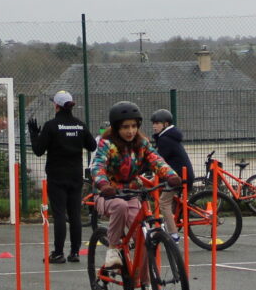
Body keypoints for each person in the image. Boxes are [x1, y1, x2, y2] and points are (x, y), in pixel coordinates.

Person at [90, 101, 180, 274]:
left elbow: (156, 159)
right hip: (107, 195)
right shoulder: (107, 144)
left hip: (131, 193)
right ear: (116, 128)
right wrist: (103, 184)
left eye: (133, 126)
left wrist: (171, 175)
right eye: (125, 127)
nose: (130, 131)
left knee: (143, 239)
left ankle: (146, 286)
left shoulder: (142, 143)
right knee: (120, 206)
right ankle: (113, 249)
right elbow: (98, 166)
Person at [29, 91, 92, 263]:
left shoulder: (51, 126)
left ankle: (58, 253)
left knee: (59, 215)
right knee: (75, 215)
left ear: (56, 106)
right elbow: (92, 145)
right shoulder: (79, 125)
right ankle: (75, 252)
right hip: (76, 176)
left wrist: (34, 135)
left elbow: (38, 150)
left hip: (57, 176)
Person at [150, 109, 194, 237]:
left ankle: (173, 235)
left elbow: (156, 160)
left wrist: (141, 169)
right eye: (153, 123)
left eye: (157, 123)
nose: (154, 126)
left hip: (178, 177)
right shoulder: (169, 137)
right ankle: (171, 221)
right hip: (179, 175)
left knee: (163, 203)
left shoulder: (165, 140)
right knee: (157, 190)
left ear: (166, 124)